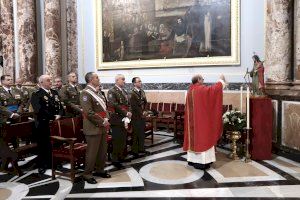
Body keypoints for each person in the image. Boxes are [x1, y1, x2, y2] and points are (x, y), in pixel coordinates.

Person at [183, 74, 226, 170]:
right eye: (202, 79)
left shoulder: (190, 91)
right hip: (201, 123)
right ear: (198, 80)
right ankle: (202, 162)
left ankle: (192, 160)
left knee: (194, 140)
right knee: (204, 138)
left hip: (193, 123)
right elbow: (214, 90)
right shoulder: (201, 89)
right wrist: (221, 81)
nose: (203, 80)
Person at [80, 72, 111, 184]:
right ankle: (87, 174)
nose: (98, 79)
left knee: (102, 151)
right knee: (92, 152)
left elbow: (105, 108)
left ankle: (100, 170)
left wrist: (106, 119)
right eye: (96, 77)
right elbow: (88, 112)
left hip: (102, 126)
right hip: (93, 127)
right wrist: (102, 121)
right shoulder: (85, 93)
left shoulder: (98, 92)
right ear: (90, 80)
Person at [31, 75, 64, 174]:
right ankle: (42, 164)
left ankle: (53, 162)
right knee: (43, 145)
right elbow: (39, 110)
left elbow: (61, 106)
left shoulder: (54, 92)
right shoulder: (36, 94)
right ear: (41, 83)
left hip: (55, 123)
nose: (51, 82)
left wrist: (60, 114)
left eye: (51, 80)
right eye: (48, 80)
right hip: (43, 124)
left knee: (55, 143)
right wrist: (53, 116)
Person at [107, 74, 132, 169]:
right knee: (117, 140)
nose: (124, 81)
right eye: (123, 79)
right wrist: (126, 113)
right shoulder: (112, 91)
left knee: (123, 139)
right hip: (116, 119)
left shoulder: (124, 91)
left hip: (124, 118)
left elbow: (128, 103)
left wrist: (129, 113)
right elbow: (114, 104)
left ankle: (121, 157)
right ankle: (115, 160)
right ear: (117, 80)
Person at [129, 77, 148, 158]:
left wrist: (145, 111)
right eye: (139, 81)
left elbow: (145, 102)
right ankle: (134, 150)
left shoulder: (142, 91)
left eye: (141, 81)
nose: (140, 82)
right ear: (134, 83)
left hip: (142, 116)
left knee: (141, 134)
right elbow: (134, 106)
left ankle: (141, 148)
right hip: (136, 116)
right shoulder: (132, 93)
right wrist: (142, 113)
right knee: (135, 134)